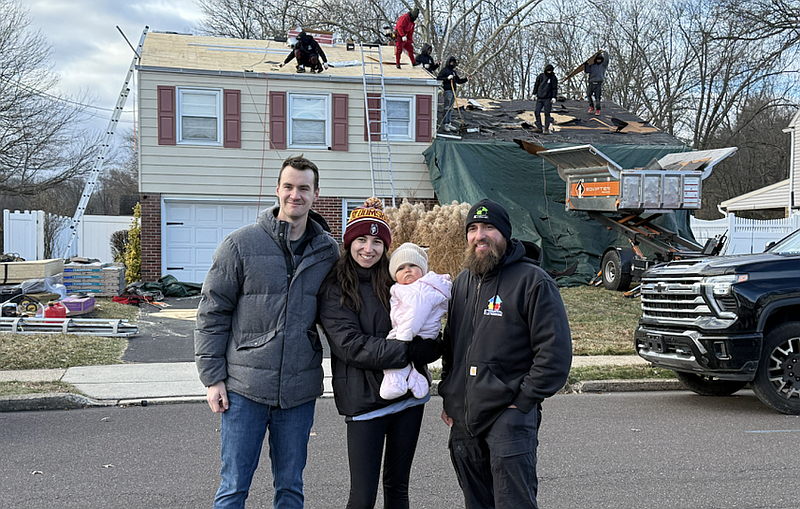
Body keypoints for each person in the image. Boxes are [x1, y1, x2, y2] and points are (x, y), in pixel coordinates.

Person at [194, 156, 339, 509]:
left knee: (290, 487)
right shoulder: (240, 245)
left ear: (316, 194)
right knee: (233, 487)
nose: (295, 195)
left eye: (304, 188)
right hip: (244, 389)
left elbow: (346, 309)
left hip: (299, 391)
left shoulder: (328, 252)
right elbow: (212, 312)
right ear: (277, 190)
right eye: (288, 186)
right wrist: (213, 379)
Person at [439, 198, 573, 509]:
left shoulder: (533, 281)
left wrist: (522, 403)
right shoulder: (462, 282)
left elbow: (554, 355)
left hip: (509, 419)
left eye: (488, 227)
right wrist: (450, 397)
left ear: (505, 234)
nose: (479, 235)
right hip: (464, 422)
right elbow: (452, 347)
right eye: (472, 228)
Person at [318, 198, 441, 509]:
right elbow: (351, 345)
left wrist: (432, 343)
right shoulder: (335, 287)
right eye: (361, 239)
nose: (368, 249)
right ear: (349, 242)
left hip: (408, 400)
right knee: (362, 497)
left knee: (398, 489)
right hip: (364, 402)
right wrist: (407, 351)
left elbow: (422, 323)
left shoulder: (395, 280)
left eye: (376, 241)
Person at [381, 242, 452, 400]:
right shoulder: (408, 288)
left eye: (412, 265)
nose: (407, 270)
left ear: (422, 269)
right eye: (400, 268)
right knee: (404, 356)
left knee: (392, 354)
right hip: (414, 331)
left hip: (416, 331)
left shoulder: (420, 289)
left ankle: (395, 382)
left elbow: (416, 313)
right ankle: (416, 379)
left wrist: (402, 339)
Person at [437, 56, 470, 132]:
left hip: (453, 91)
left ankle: (449, 122)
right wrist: (447, 78)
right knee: (447, 107)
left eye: (453, 62)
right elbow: (438, 78)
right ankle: (445, 123)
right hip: (447, 90)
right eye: (451, 62)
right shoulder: (444, 70)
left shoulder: (454, 72)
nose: (452, 64)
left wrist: (466, 79)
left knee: (450, 108)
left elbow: (458, 81)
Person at [533, 64, 558, 135]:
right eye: (548, 71)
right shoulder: (541, 76)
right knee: (537, 111)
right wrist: (534, 94)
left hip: (548, 98)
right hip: (540, 98)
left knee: (547, 113)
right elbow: (536, 85)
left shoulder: (553, 78)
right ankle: (539, 127)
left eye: (550, 71)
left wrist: (554, 97)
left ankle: (546, 128)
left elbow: (554, 88)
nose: (549, 72)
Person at [584, 49, 609, 115]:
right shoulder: (592, 66)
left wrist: (605, 52)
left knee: (597, 97)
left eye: (600, 59)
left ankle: (598, 109)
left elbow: (606, 60)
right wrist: (586, 64)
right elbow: (587, 70)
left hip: (598, 83)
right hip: (591, 82)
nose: (599, 61)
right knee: (589, 94)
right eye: (597, 59)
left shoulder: (603, 65)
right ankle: (591, 107)